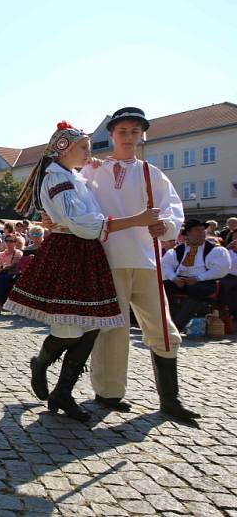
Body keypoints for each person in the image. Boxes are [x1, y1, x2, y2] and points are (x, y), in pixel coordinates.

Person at [6, 121, 158, 421]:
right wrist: (137, 219)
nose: (90, 154)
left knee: (90, 325)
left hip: (86, 253)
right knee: (69, 328)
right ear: (64, 150)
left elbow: (86, 202)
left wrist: (94, 165)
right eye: (84, 149)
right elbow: (85, 225)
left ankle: (63, 391)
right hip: (70, 251)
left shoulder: (71, 175)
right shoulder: (57, 179)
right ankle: (42, 361)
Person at [78, 107, 199, 422]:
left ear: (142, 134)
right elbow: (74, 203)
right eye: (123, 131)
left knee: (163, 327)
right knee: (112, 331)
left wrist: (167, 227)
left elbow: (173, 209)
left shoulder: (151, 172)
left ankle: (170, 399)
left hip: (146, 260)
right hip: (106, 259)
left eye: (135, 131)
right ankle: (108, 393)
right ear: (112, 135)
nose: (129, 137)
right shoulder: (91, 170)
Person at [162, 219, 231, 331]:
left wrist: (198, 278)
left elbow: (221, 269)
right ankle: (169, 321)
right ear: (188, 234)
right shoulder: (178, 250)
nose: (202, 232)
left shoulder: (214, 249)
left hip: (204, 281)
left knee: (196, 290)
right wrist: (174, 278)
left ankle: (177, 325)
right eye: (197, 230)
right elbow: (165, 265)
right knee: (164, 287)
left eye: (202, 230)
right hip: (180, 281)